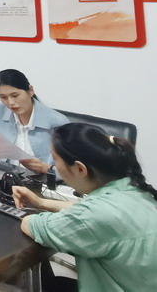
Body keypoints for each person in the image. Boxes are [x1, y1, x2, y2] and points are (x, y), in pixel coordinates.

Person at [13, 123, 157, 292]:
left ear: (80, 168)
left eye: (56, 160)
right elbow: (90, 212)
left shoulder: (95, 215)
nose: (54, 166)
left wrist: (22, 214)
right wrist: (42, 203)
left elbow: (35, 225)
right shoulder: (132, 188)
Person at [0, 69, 69, 174]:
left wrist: (47, 168)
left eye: (15, 95)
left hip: (41, 180)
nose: (10, 102)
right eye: (3, 97)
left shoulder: (57, 122)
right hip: (7, 175)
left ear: (30, 91)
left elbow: (72, 170)